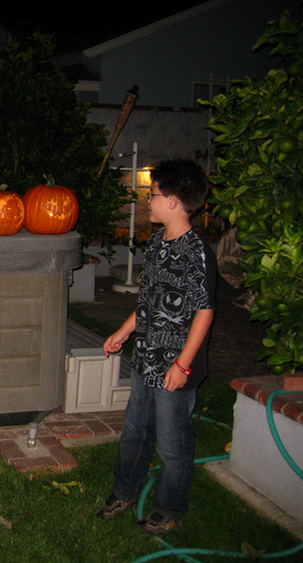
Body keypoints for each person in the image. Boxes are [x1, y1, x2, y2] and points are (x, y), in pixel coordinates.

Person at [96, 159, 217, 535]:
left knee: (172, 443)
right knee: (135, 429)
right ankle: (125, 491)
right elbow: (148, 301)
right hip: (147, 357)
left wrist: (182, 366)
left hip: (175, 366)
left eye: (155, 194)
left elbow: (204, 312)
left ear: (176, 201)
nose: (149, 200)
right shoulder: (155, 243)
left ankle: (169, 509)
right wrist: (123, 332)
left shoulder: (196, 251)